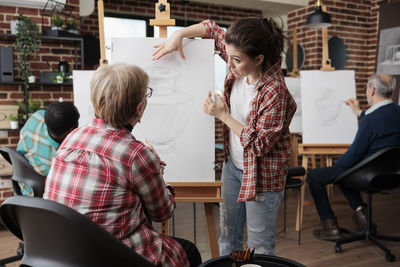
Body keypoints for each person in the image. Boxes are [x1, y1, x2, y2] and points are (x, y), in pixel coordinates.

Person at [153, 18, 296, 256]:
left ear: (259, 59)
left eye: (237, 60)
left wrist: (223, 115)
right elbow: (211, 29)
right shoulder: (239, 59)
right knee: (228, 236)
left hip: (262, 176)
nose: (229, 64)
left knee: (259, 244)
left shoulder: (274, 90)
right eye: (228, 56)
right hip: (233, 168)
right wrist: (180, 34)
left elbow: (259, 144)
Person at [43, 63, 201, 267]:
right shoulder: (136, 154)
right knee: (189, 251)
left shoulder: (73, 137)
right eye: (146, 95)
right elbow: (162, 212)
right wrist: (156, 170)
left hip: (66, 253)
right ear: (139, 108)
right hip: (112, 257)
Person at [307, 73, 400, 241]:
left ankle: (330, 227)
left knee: (315, 176)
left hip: (369, 176)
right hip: (392, 176)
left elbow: (352, 158)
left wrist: (336, 167)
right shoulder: (396, 113)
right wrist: (359, 112)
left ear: (371, 90)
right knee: (345, 173)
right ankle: (364, 219)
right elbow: (382, 123)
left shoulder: (371, 120)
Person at [16, 101, 80, 196]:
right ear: (71, 130)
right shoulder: (59, 159)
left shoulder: (36, 116)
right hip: (39, 196)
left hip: (24, 185)